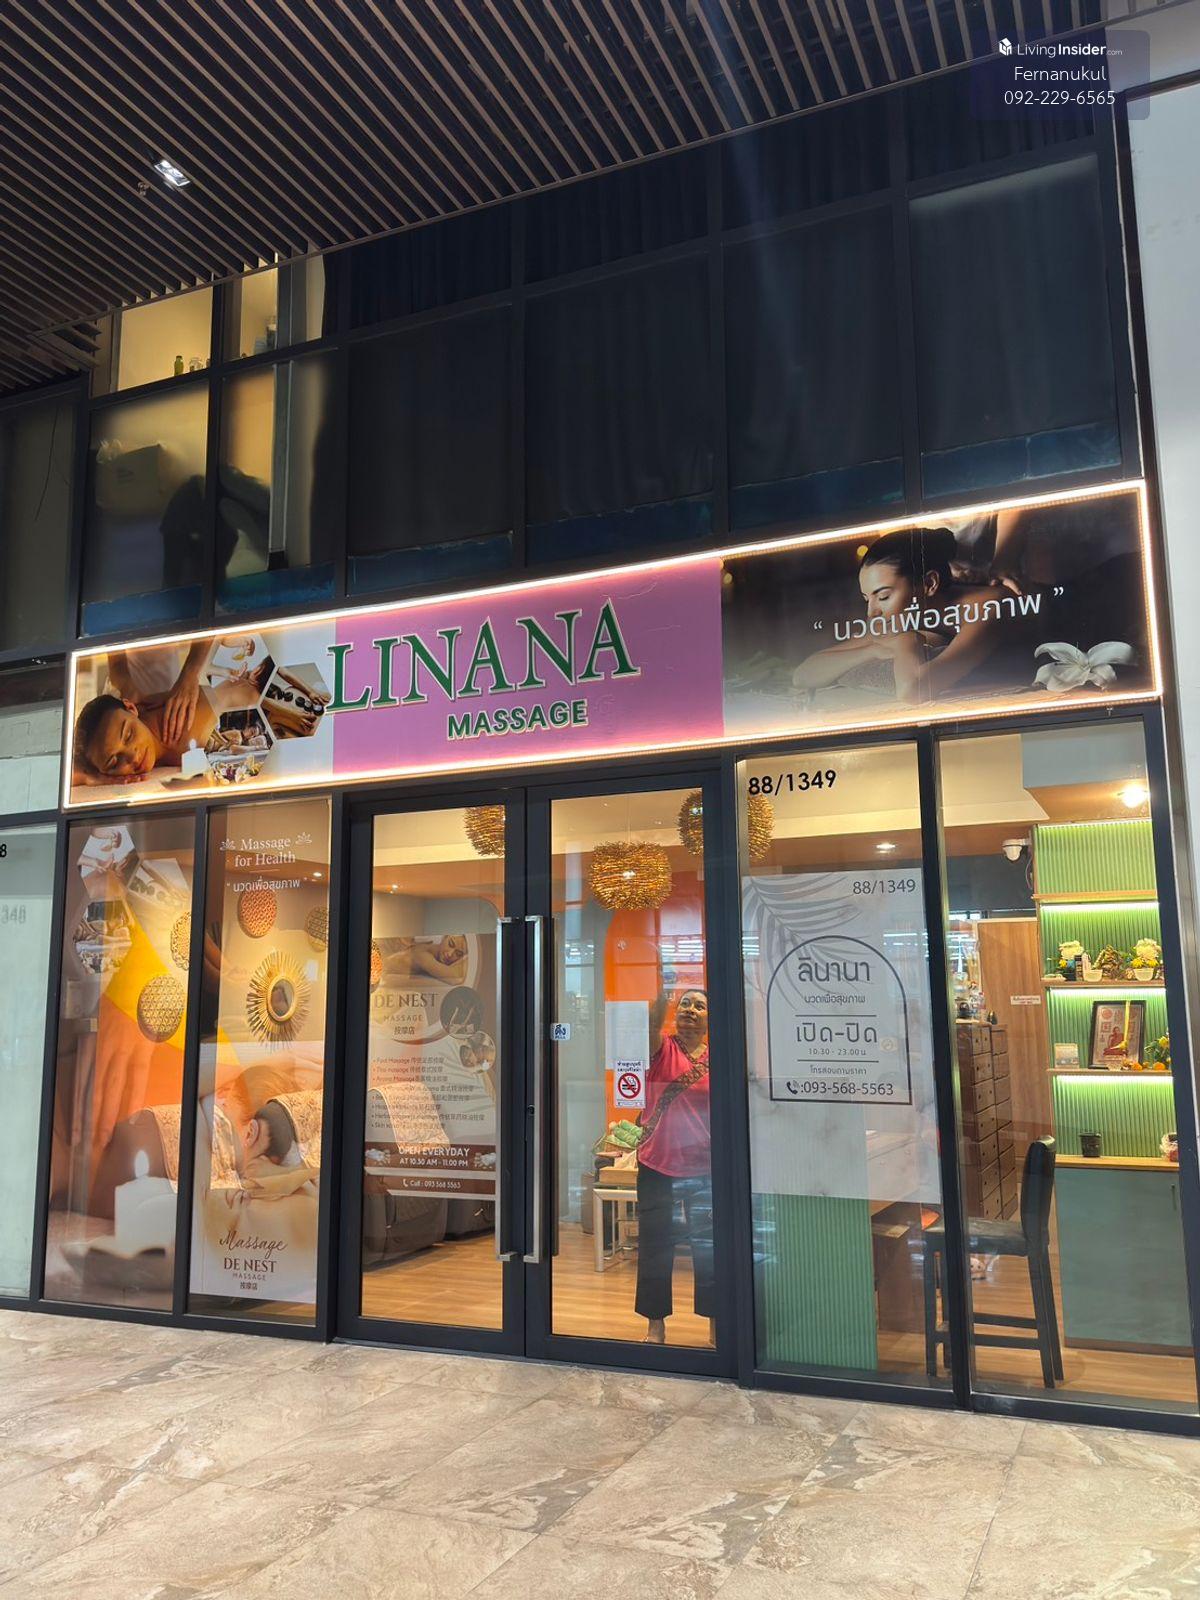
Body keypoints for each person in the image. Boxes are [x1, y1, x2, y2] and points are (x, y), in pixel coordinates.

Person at [791, 528, 1017, 703]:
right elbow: (802, 674)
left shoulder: (988, 607)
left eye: (883, 596)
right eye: (867, 599)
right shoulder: (907, 617)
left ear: (929, 583)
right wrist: (871, 651)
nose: (871, 612)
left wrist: (904, 642)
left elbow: (913, 690)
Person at [635, 986, 714, 1346]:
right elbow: (651, 1025)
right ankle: (656, 1326)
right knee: (655, 1245)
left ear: (710, 1019)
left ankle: (716, 1326)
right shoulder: (662, 1048)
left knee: (709, 1247)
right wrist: (662, 996)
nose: (690, 1010)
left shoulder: (717, 1056)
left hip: (706, 1166)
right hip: (658, 1163)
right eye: (685, 1004)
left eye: (699, 1006)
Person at [71, 676, 260, 787]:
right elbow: (63, 776)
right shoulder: (98, 755)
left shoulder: (187, 719)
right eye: (114, 762)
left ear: (131, 708)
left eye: (129, 735)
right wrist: (92, 778)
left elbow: (244, 691)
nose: (133, 757)